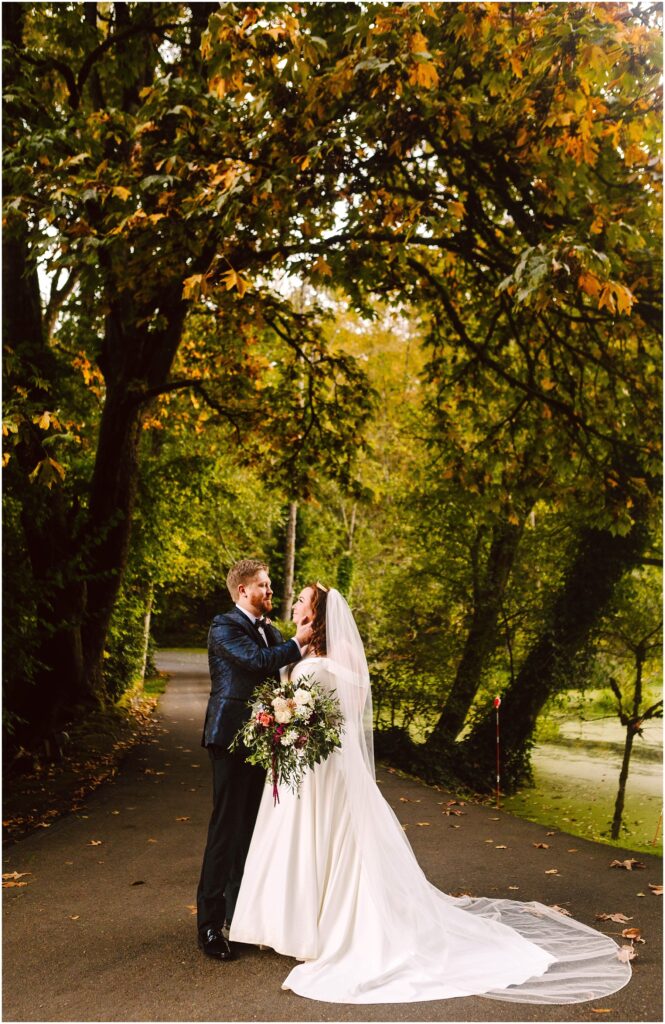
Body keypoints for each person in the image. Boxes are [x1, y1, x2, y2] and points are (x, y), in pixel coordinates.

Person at [230, 583, 631, 1004]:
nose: (294, 602)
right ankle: (291, 924)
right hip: (309, 761)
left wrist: (299, 724)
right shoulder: (299, 650)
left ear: (317, 612)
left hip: (325, 763)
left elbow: (344, 704)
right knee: (304, 837)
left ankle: (322, 927)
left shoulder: (328, 656)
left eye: (302, 600)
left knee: (331, 838)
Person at [196, 559, 311, 961]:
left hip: (261, 741)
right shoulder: (224, 626)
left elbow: (285, 675)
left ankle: (240, 918)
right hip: (229, 738)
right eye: (263, 585)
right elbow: (259, 662)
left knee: (250, 831)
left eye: (269, 583)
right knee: (225, 830)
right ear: (243, 591)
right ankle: (209, 927)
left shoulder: (273, 632)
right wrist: (299, 642)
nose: (269, 591)